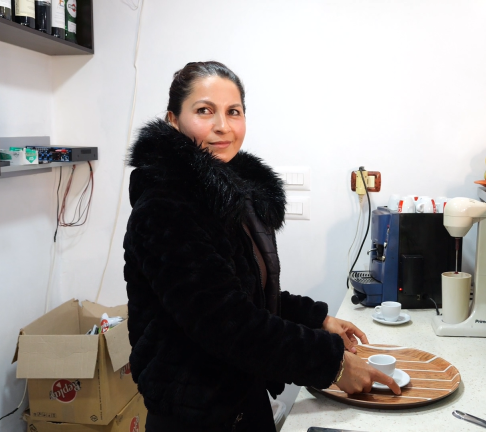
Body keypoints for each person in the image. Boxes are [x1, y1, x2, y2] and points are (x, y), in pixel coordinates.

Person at [123, 61, 400, 432]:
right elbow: (228, 322)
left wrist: (317, 319)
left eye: (233, 112)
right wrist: (331, 365)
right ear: (174, 120)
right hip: (195, 415)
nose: (223, 126)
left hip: (241, 398)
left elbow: (247, 293)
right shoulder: (165, 208)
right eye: (205, 111)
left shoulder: (229, 194)